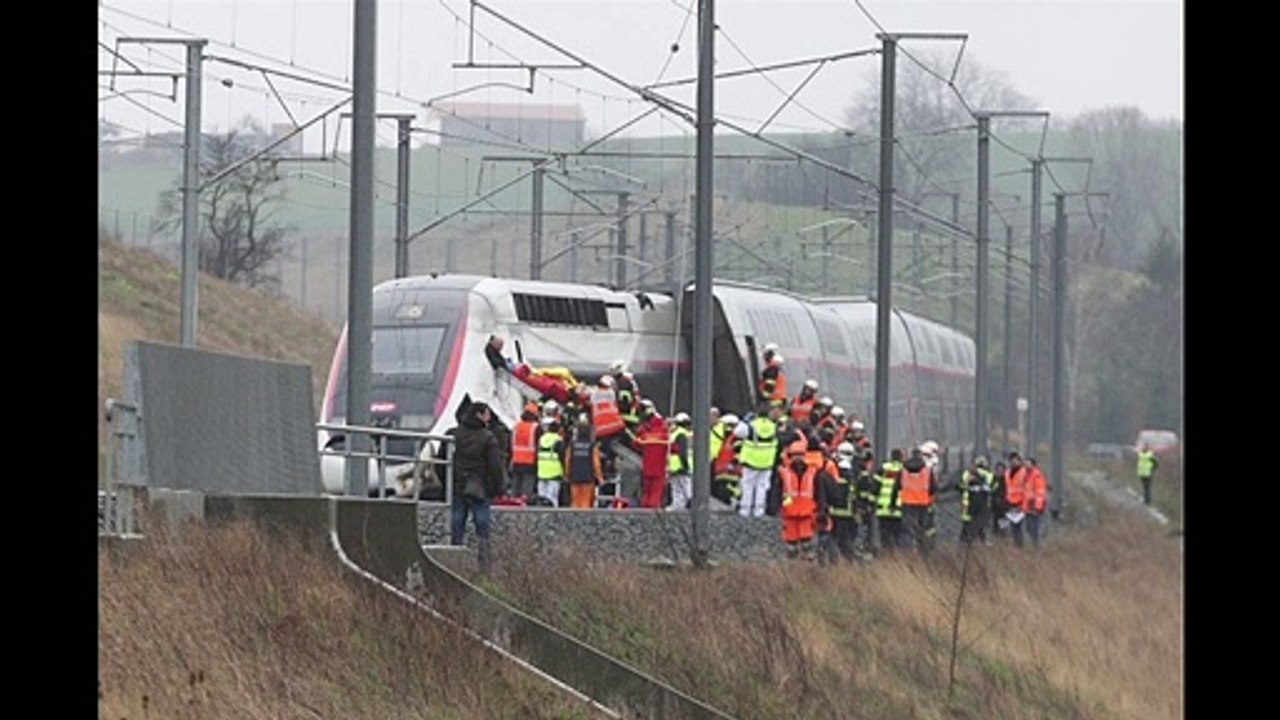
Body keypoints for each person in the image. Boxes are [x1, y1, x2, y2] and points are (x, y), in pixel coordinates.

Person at [447, 399, 506, 565]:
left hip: (457, 486)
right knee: (482, 525)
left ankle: (454, 559)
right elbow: (495, 466)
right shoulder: (487, 438)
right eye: (487, 414)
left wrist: (447, 484)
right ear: (479, 415)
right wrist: (497, 488)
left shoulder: (452, 434)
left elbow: (441, 460)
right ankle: (484, 561)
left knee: (457, 522)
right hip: (480, 488)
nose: (489, 417)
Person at [817, 441, 861, 565]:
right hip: (846, 515)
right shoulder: (852, 475)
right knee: (844, 540)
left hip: (836, 513)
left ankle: (836, 561)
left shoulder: (832, 472)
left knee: (834, 538)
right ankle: (845, 561)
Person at [735, 403, 780, 517]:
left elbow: (737, 432)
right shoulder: (774, 426)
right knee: (762, 487)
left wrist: (745, 421)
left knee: (748, 486)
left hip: (751, 460)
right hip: (766, 462)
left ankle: (745, 511)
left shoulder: (751, 425)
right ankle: (758, 511)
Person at [778, 452, 826, 561]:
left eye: (800, 455)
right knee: (791, 546)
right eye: (795, 455)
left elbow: (819, 492)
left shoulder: (814, 473)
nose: (798, 458)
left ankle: (806, 570)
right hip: (789, 514)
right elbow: (778, 491)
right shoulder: (784, 473)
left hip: (807, 514)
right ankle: (792, 570)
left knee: (807, 545)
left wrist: (821, 509)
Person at [899, 446, 938, 555]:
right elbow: (933, 488)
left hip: (907, 502)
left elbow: (897, 486)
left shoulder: (904, 470)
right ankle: (922, 551)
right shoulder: (927, 470)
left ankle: (907, 552)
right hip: (923, 503)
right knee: (922, 528)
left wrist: (895, 502)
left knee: (907, 529)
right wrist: (930, 499)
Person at [634, 400, 671, 509]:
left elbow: (636, 444)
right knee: (656, 492)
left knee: (647, 491)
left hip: (647, 467)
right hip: (660, 468)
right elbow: (673, 448)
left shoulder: (645, 433)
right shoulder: (665, 432)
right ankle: (653, 512)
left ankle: (645, 511)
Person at [564, 413, 603, 509]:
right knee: (586, 502)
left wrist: (567, 474)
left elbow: (567, 460)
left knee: (575, 501)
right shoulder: (592, 445)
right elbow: (596, 463)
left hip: (574, 476)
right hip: (588, 477)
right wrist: (600, 477)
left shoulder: (572, 445)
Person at [959, 455, 994, 545]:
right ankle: (978, 544)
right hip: (979, 507)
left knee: (969, 529)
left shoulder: (966, 473)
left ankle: (966, 546)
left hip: (968, 507)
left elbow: (961, 485)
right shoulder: (988, 475)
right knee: (978, 528)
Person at [509, 402, 541, 500]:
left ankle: (512, 504)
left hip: (516, 460)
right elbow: (539, 444)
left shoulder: (516, 426)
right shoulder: (536, 427)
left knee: (515, 486)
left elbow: (510, 443)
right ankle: (525, 506)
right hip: (530, 461)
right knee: (527, 488)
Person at [535, 416, 566, 507]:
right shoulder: (558, 440)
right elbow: (562, 457)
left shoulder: (542, 439)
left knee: (541, 498)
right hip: (554, 473)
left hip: (541, 472)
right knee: (552, 498)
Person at [667, 412, 693, 510]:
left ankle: (677, 506)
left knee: (677, 488)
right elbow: (683, 452)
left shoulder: (676, 433)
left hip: (675, 465)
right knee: (685, 487)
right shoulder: (683, 434)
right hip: (681, 465)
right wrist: (685, 465)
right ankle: (684, 505)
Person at [1003, 451, 1029, 548]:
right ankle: (1016, 546)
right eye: (1011, 461)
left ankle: (1021, 546)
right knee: (1013, 527)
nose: (1013, 462)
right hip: (1010, 503)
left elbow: (1027, 489)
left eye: (1015, 460)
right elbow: (1007, 487)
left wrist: (1024, 505)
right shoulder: (1007, 473)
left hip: (1021, 503)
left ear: (1019, 461)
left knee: (1020, 527)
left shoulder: (1024, 472)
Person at [1023, 457, 1049, 549]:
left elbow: (1040, 493)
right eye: (1025, 463)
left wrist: (1037, 507)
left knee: (1034, 528)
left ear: (1033, 465)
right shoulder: (1026, 475)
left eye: (1028, 463)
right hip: (1027, 507)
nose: (1026, 465)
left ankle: (1037, 547)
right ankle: (1035, 545)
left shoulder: (1037, 475)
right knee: (1028, 528)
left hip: (1034, 507)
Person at [758, 342, 788, 408]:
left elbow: (770, 383)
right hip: (779, 399)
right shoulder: (778, 367)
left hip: (773, 400)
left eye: (765, 355)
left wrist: (764, 398)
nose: (764, 357)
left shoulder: (772, 368)